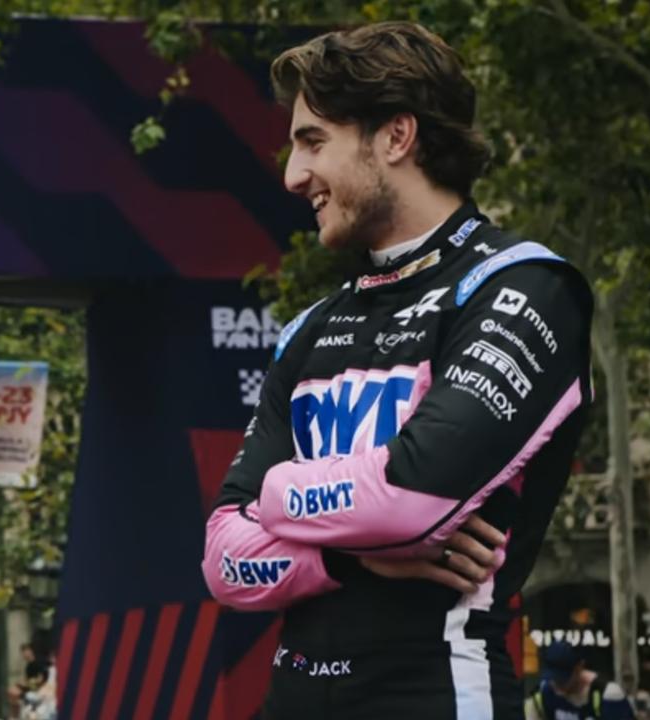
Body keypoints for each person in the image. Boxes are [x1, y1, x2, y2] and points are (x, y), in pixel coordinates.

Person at [201, 21, 595, 720]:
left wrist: (278, 491)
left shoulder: (524, 287)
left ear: (395, 137)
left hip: (435, 693)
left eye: (312, 141)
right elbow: (225, 561)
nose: (293, 176)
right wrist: (349, 558)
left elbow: (413, 499)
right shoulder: (310, 328)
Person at [524, 641, 634, 720]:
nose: (556, 684)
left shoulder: (606, 694)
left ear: (579, 668)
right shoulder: (544, 694)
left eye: (563, 679)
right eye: (552, 679)